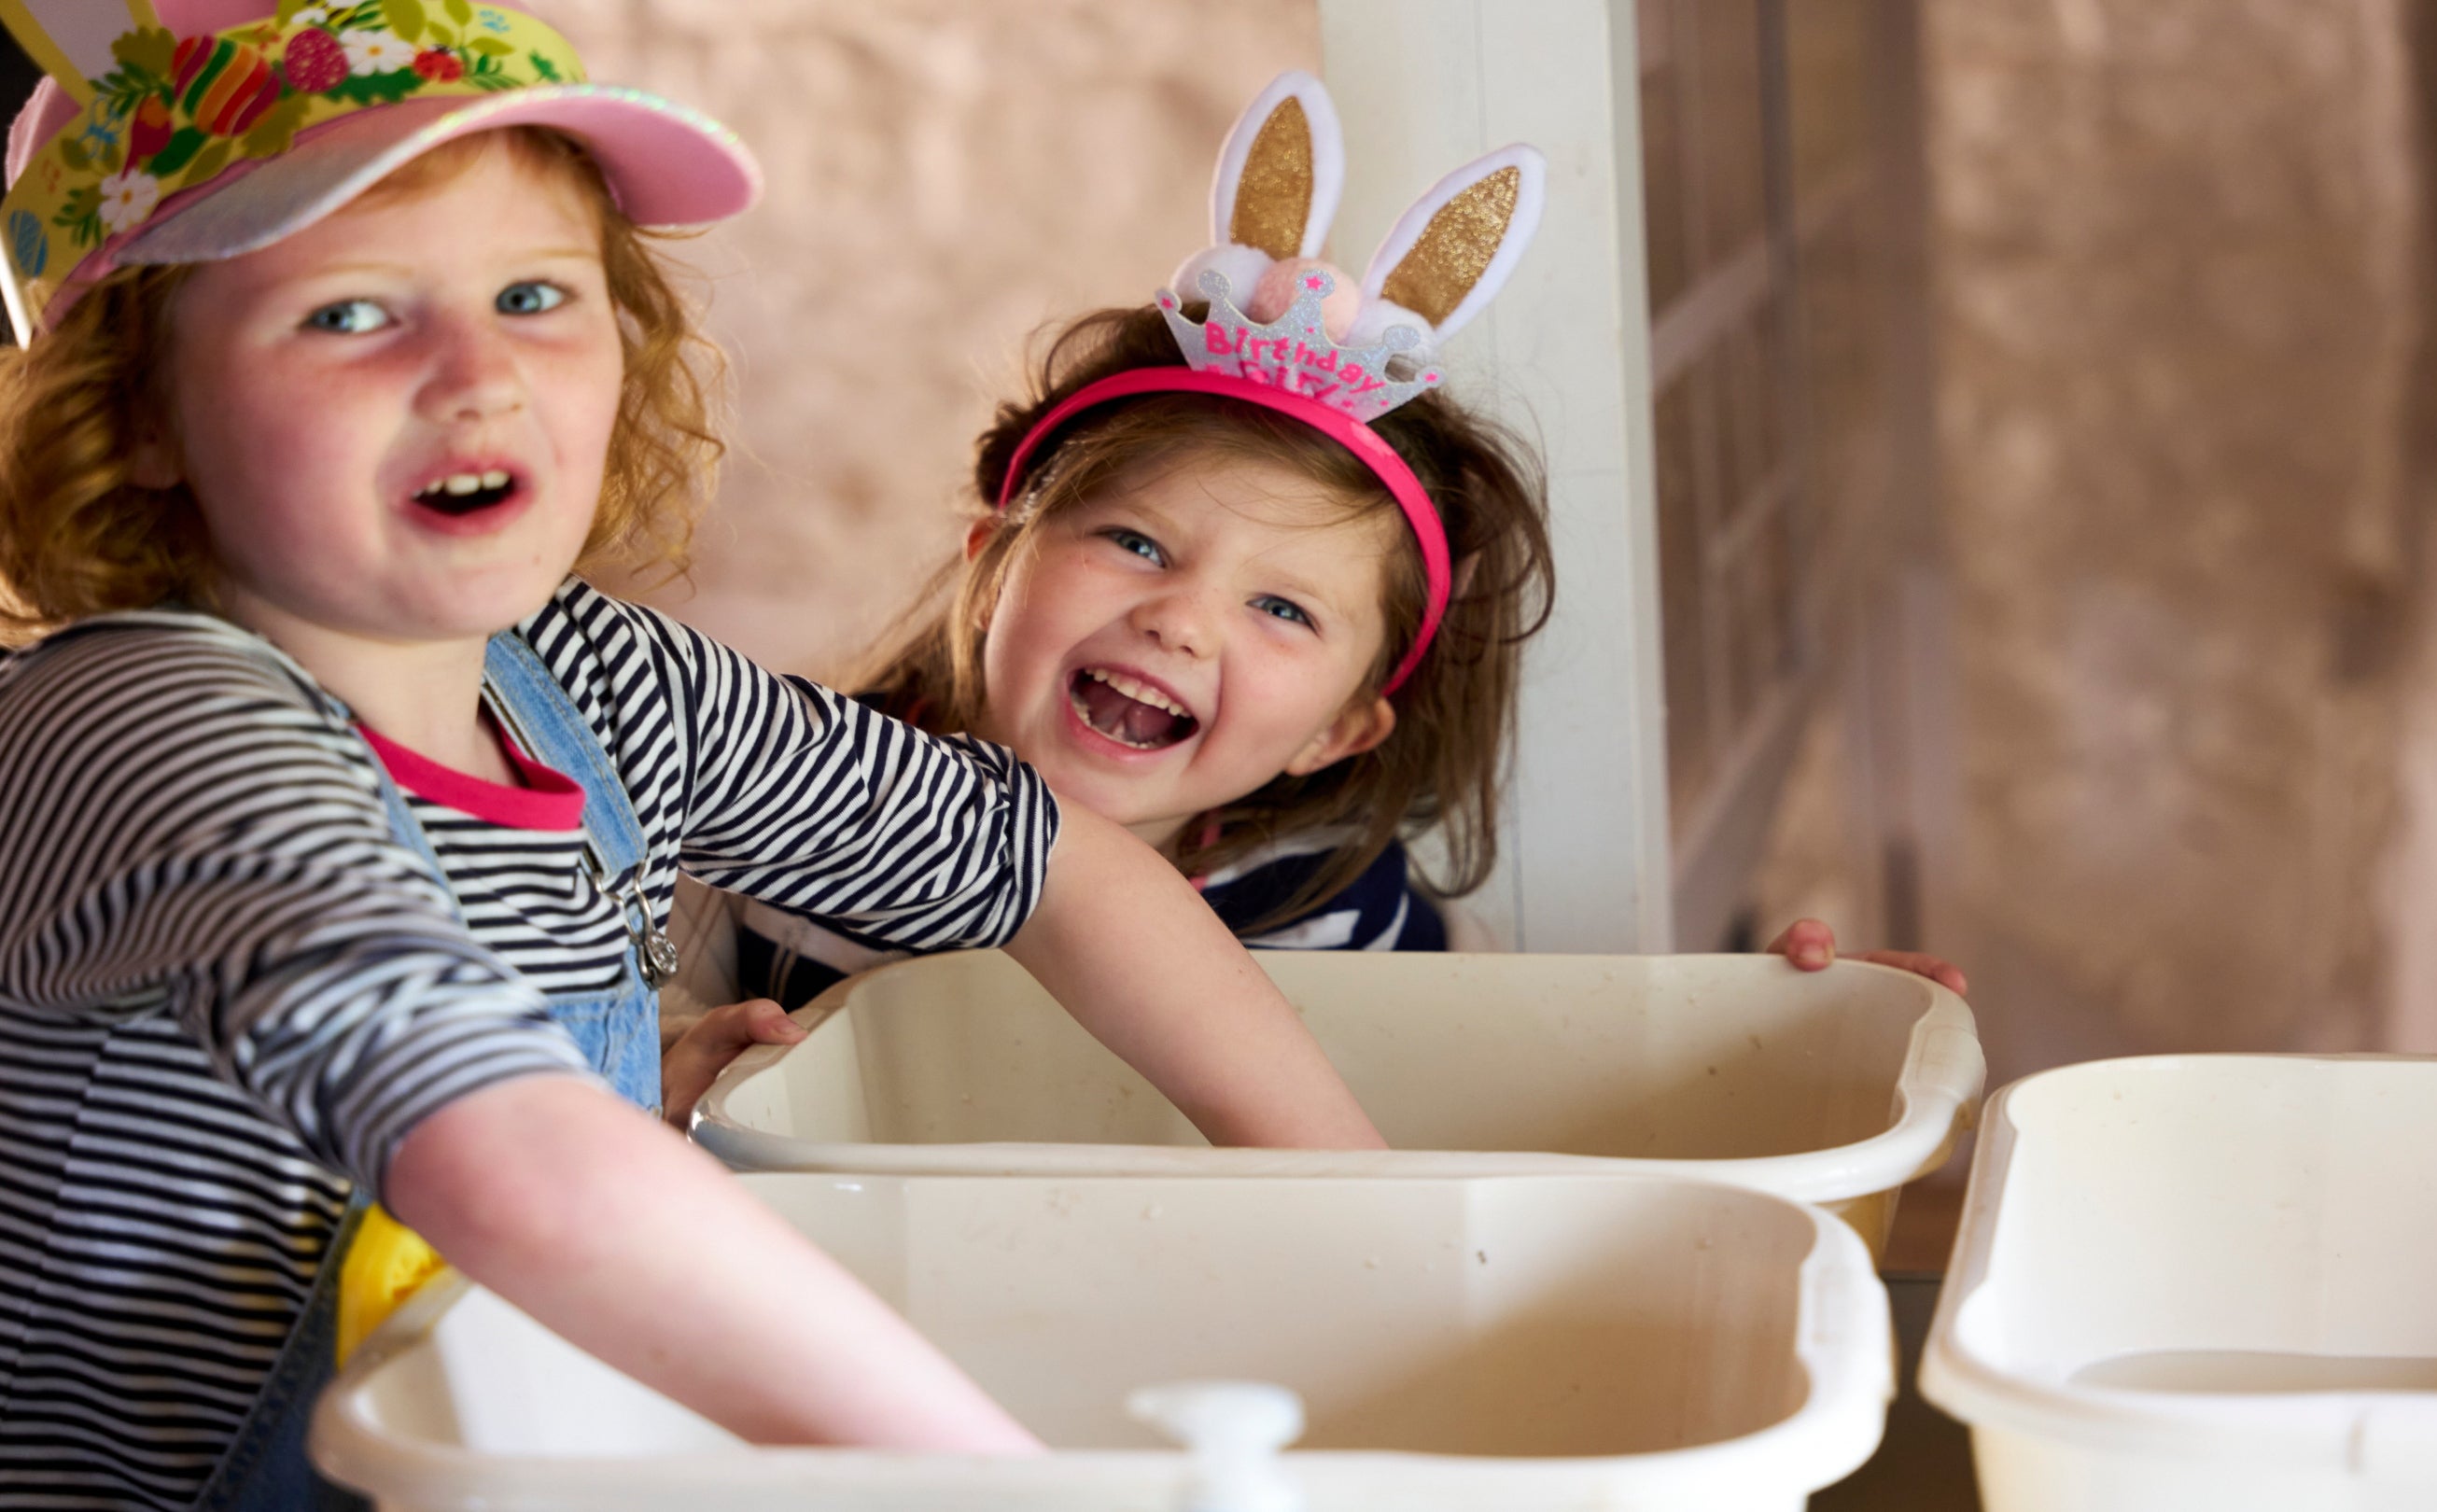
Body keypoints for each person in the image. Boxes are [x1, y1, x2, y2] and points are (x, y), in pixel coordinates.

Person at [0, 9, 1378, 1507]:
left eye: (535, 294)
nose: (478, 374)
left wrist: (1374, 1228)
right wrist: (1016, 1486)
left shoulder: (589, 677)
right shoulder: (147, 729)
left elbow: (1051, 866)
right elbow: (510, 1162)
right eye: (348, 313)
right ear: (137, 414)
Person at [692, 74, 1965, 1024]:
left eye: (1284, 611)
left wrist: (1771, 1033)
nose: (1181, 623)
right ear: (989, 570)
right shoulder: (792, 804)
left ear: (1336, 735)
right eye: (1136, 542)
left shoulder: (1339, 920)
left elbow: (1537, 1109)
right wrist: (690, 1057)